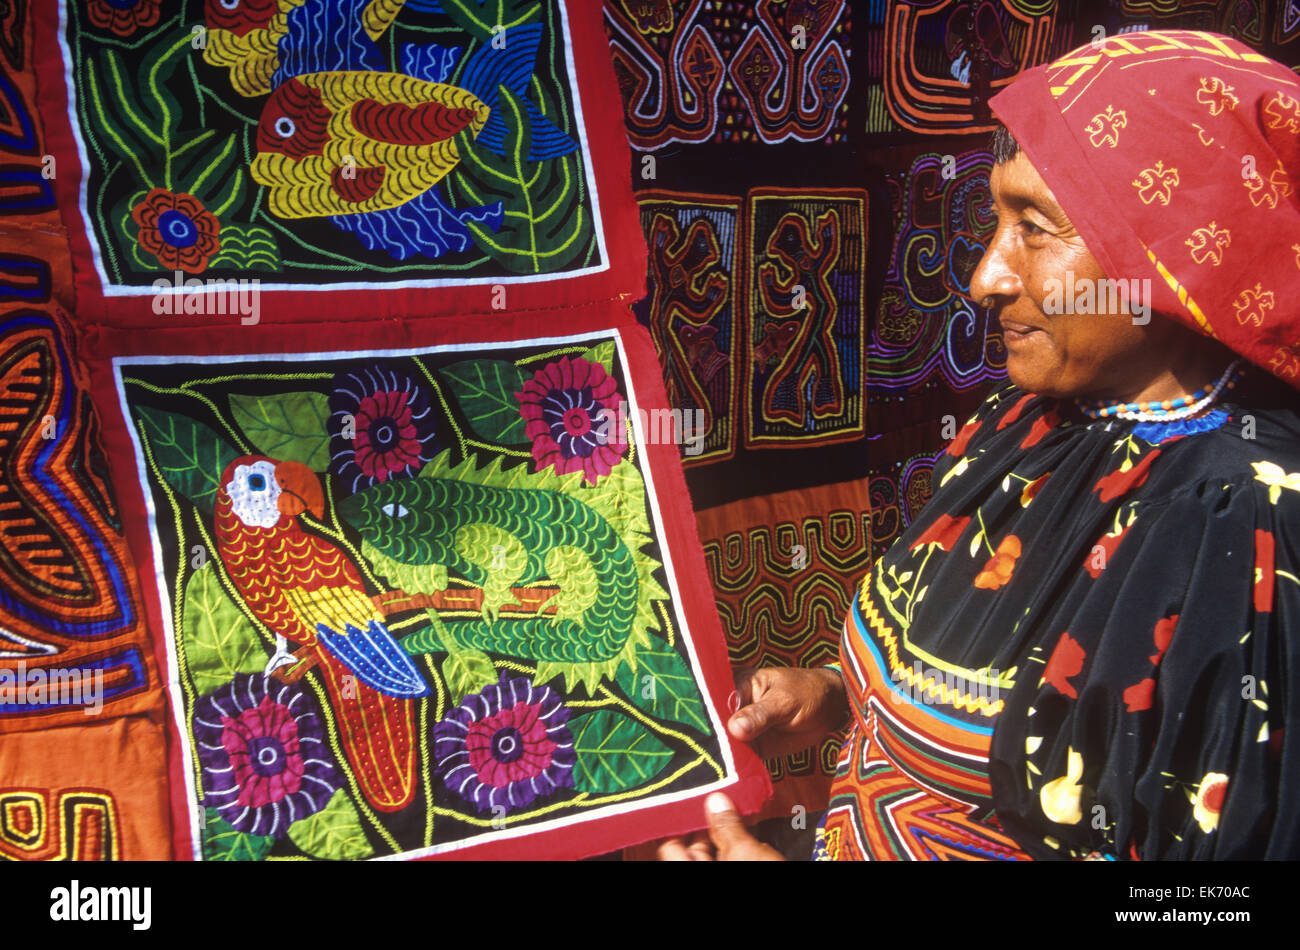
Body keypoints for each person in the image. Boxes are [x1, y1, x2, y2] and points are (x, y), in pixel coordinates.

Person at [660, 28, 1300, 861]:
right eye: (995, 217)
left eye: (1035, 227)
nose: (986, 277)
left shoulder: (1245, 522)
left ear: (1174, 252)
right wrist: (832, 697)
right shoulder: (1029, 425)